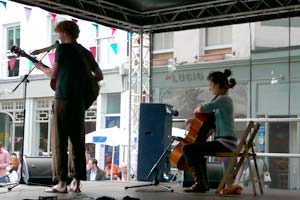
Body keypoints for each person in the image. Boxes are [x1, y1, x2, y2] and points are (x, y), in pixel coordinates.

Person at [35, 20, 103, 193]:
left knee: (59, 142)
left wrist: (41, 67)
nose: (58, 36)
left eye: (59, 33)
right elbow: (99, 75)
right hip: (79, 102)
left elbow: (53, 73)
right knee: (77, 142)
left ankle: (62, 183)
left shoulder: (62, 49)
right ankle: (77, 182)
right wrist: (81, 81)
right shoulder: (85, 52)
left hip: (63, 99)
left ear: (64, 33)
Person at [182, 69, 237, 193]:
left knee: (188, 149)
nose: (210, 88)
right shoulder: (222, 102)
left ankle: (201, 183)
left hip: (225, 144)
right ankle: (202, 184)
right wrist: (195, 121)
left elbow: (204, 107)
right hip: (225, 143)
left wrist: (198, 109)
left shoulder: (224, 99)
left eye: (211, 85)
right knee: (195, 150)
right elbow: (210, 120)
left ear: (218, 85)